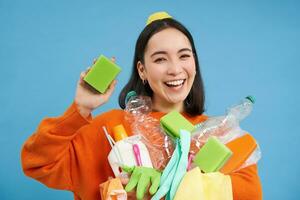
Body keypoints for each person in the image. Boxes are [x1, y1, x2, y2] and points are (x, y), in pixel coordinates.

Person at [21, 12, 262, 200]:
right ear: (142, 70)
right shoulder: (109, 128)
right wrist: (81, 108)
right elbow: (39, 163)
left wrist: (165, 185)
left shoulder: (224, 137)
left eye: (184, 55)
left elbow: (249, 195)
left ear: (195, 64)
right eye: (160, 59)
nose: (175, 69)